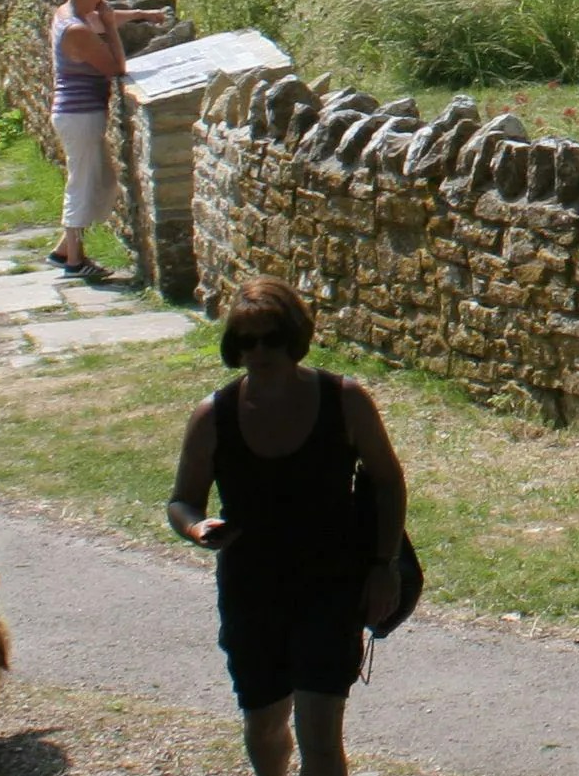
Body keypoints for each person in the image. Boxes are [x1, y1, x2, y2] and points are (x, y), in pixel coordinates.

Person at [167, 277, 409, 776]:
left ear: (294, 338)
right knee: (265, 727)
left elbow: (387, 481)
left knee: (320, 739)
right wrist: (197, 528)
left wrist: (384, 567)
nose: (259, 351)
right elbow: (181, 501)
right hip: (252, 592)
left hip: (330, 586)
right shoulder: (214, 415)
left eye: (271, 338)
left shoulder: (346, 400)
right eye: (246, 341)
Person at [49, 0, 129, 278]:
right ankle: (74, 262)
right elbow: (115, 67)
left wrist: (140, 14)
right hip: (80, 115)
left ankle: (64, 248)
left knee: (103, 181)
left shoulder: (67, 14)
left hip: (77, 113)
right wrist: (110, 27)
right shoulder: (77, 29)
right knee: (81, 183)